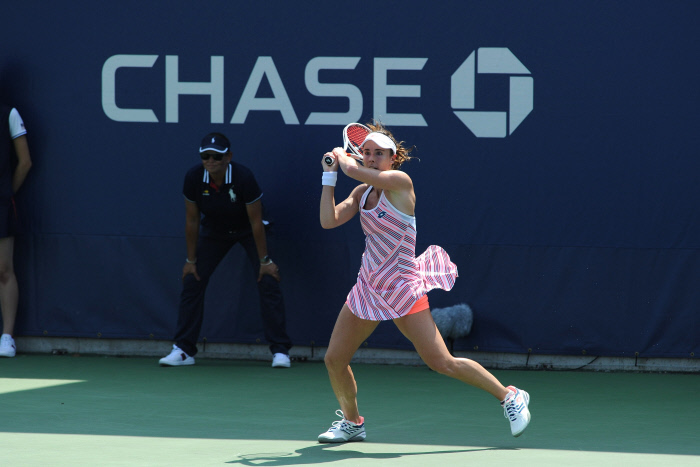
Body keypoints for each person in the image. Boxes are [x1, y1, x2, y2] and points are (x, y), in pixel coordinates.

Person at [317, 122, 531, 442]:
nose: (373, 158)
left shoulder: (400, 183)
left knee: (441, 362)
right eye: (368, 152)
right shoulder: (361, 192)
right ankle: (352, 423)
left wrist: (344, 160)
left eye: (379, 153)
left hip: (403, 288)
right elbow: (328, 220)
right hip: (368, 288)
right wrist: (329, 176)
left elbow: (356, 171)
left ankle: (510, 396)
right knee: (334, 359)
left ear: (392, 158)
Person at [159, 132, 292, 368]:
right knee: (193, 279)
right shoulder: (193, 177)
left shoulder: (243, 177)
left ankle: (280, 351)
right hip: (215, 231)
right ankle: (183, 350)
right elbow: (192, 221)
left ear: (228, 157)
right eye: (206, 156)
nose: (211, 161)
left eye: (217, 156)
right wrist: (190, 260)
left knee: (268, 280)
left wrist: (264, 261)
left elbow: (256, 222)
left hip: (249, 230)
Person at [0, 104, 32, 358]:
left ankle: (7, 337)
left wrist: (6, 193)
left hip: (1, 203)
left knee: (3, 269)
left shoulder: (9, 114)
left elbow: (25, 162)